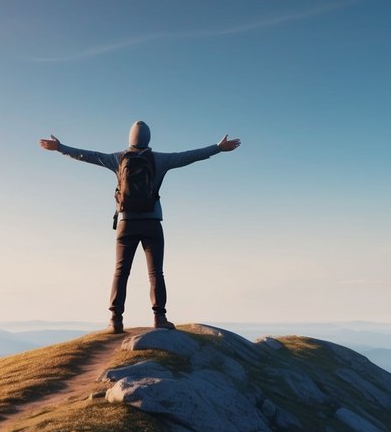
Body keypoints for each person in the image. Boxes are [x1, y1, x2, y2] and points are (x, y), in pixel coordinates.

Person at [39, 121, 241, 333]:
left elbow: (87, 155)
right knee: (155, 273)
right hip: (152, 222)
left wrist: (60, 148)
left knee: (121, 272)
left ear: (130, 139)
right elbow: (189, 156)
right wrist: (218, 148)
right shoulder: (160, 159)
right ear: (148, 139)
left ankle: (115, 320)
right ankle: (160, 318)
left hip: (126, 223)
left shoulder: (117, 159)